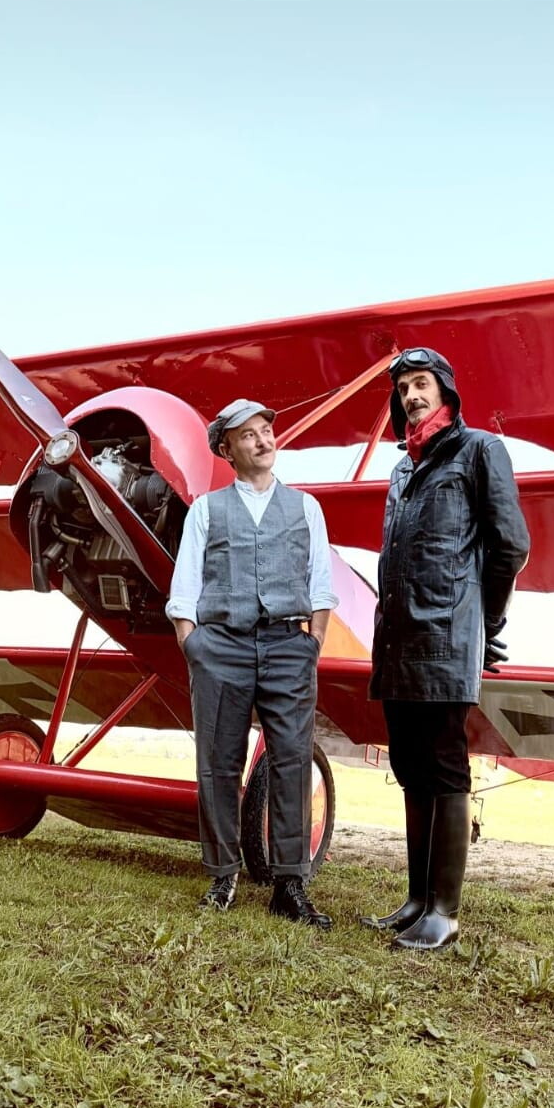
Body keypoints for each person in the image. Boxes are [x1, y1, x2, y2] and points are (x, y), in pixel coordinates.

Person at [362, 347, 530, 950]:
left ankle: (444, 911)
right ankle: (415, 899)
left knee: (443, 764)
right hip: (399, 639)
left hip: (447, 635)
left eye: (422, 383)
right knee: (410, 768)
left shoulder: (480, 449)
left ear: (446, 390)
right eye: (403, 387)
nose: (412, 395)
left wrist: (483, 621)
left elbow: (511, 544)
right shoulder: (402, 470)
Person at [166, 398, 338, 928]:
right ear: (228, 449)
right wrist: (194, 645)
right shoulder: (206, 510)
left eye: (267, 430)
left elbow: (321, 587)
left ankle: (290, 884)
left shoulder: (306, 507)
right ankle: (223, 874)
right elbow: (185, 588)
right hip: (220, 648)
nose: (264, 440)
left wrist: (312, 644)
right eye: (249, 435)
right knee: (217, 764)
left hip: (290, 645)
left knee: (291, 759)